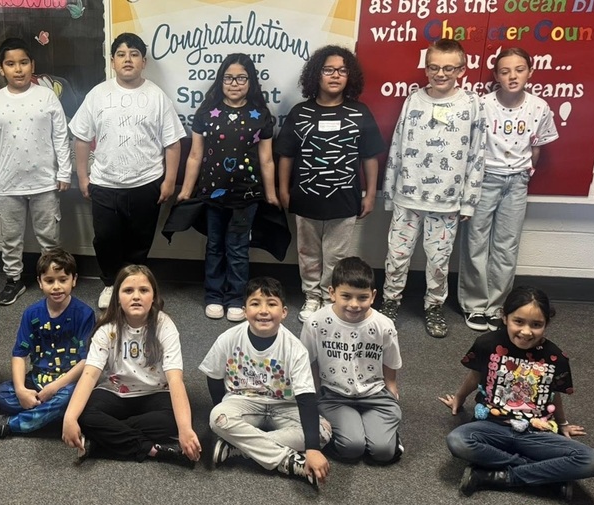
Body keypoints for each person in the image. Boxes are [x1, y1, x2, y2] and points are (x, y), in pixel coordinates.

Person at [440, 286, 594, 497]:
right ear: (505, 317)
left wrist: (562, 424)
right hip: (492, 426)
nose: (526, 332)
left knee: (592, 461)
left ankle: (500, 477)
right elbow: (475, 376)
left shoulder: (555, 357)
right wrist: (459, 399)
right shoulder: (487, 344)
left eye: (536, 325)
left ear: (546, 324)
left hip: (536, 433)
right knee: (458, 440)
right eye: (519, 321)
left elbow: (554, 394)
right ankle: (543, 475)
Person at [69, 33, 184, 309]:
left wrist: (169, 180)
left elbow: (173, 143)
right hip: (105, 184)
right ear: (112, 62)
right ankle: (111, 283)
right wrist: (83, 176)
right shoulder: (98, 95)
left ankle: (135, 286)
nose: (127, 59)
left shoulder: (157, 97)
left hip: (147, 183)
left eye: (134, 54)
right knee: (106, 238)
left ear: (143, 61)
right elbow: (82, 138)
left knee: (139, 241)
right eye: (121, 54)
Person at [380, 38, 486, 339]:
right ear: (426, 68)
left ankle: (434, 306)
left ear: (462, 70)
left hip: (447, 201)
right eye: (434, 67)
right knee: (397, 254)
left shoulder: (472, 104)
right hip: (408, 196)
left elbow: (478, 154)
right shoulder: (414, 100)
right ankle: (390, 300)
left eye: (449, 68)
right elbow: (398, 146)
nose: (441, 74)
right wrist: (390, 192)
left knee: (438, 260)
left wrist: (469, 202)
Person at [274, 45, 385, 323]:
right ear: (316, 75)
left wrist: (370, 194)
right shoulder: (300, 113)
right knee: (308, 253)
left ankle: (329, 297)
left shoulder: (360, 113)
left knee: (336, 256)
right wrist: (283, 190)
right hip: (306, 198)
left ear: (350, 76)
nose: (335, 76)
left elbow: (370, 157)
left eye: (342, 70)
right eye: (328, 70)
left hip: (344, 199)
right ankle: (311, 296)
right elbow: (286, 155)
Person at [458, 48, 558, 332]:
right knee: (475, 242)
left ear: (530, 72)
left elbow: (536, 146)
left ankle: (497, 306)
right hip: (485, 178)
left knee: (506, 246)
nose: (512, 76)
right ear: (496, 76)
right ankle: (475, 306)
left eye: (519, 69)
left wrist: (526, 173)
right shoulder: (482, 104)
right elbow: (470, 144)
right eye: (505, 71)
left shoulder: (539, 107)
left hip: (516, 181)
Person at [61, 265, 201, 466]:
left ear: (153, 296)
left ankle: (101, 442)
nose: (136, 296)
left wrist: (185, 429)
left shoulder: (165, 325)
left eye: (143, 290)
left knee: (175, 421)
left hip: (155, 393)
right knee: (83, 415)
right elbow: (89, 375)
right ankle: (152, 450)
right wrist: (69, 418)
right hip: (116, 392)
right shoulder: (106, 328)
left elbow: (175, 378)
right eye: (128, 291)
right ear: (117, 297)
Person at [199, 277, 331, 488]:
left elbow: (306, 398)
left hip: (285, 406)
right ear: (244, 311)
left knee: (323, 431)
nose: (263, 310)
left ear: (284, 312)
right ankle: (286, 460)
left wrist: (313, 449)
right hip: (243, 403)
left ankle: (240, 447)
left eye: (271, 304)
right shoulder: (228, 338)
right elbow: (214, 377)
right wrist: (222, 405)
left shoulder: (295, 349)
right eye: (255, 303)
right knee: (218, 418)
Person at [176, 53, 277, 322]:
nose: (234, 83)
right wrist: (186, 190)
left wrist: (271, 193)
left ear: (251, 81)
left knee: (238, 247)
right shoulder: (206, 114)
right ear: (221, 80)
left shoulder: (261, 116)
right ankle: (213, 295)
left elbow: (266, 158)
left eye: (241, 78)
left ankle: (235, 297)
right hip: (212, 194)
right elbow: (195, 156)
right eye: (229, 78)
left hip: (247, 196)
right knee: (214, 246)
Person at [0, 37, 71, 306]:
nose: (17, 69)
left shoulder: (46, 96)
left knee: (49, 237)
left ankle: (52, 278)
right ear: (1, 68)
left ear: (32, 65)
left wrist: (64, 172)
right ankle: (13, 279)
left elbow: (60, 136)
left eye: (23, 63)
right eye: (10, 64)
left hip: (44, 181)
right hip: (9, 183)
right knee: (10, 237)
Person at [0, 249, 95, 442]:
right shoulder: (31, 313)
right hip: (37, 381)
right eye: (50, 280)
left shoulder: (84, 314)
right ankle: (52, 416)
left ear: (74, 280)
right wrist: (20, 389)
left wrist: (54, 388)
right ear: (40, 282)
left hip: (68, 383)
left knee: (71, 397)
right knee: (1, 394)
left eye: (63, 279)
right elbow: (19, 354)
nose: (56, 287)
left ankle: (10, 425)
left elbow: (86, 361)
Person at [300, 257, 402, 463]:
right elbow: (309, 360)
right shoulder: (316, 323)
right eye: (346, 296)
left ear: (373, 296)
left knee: (383, 452)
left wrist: (391, 387)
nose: (354, 304)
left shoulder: (384, 325)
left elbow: (390, 360)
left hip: (375, 395)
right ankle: (354, 431)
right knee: (352, 448)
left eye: (362, 297)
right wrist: (315, 393)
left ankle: (389, 438)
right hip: (335, 395)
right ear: (332, 293)